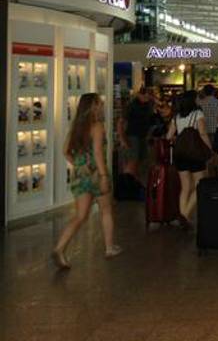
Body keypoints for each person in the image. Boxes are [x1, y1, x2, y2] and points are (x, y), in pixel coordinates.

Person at [52, 94, 121, 269]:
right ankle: (109, 247)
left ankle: (60, 247)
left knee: (80, 215)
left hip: (80, 175)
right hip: (96, 174)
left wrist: (80, 164)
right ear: (93, 106)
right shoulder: (97, 126)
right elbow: (98, 153)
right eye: (99, 103)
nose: (102, 105)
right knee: (106, 210)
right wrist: (104, 176)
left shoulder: (76, 127)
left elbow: (65, 151)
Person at [166, 90, 212, 228]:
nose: (199, 100)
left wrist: (179, 137)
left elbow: (168, 137)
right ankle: (184, 215)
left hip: (180, 154)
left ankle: (183, 216)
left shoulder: (176, 117)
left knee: (185, 187)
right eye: (197, 98)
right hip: (195, 154)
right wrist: (209, 149)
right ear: (192, 101)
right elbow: (203, 133)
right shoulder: (198, 114)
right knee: (200, 185)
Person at [117, 87, 154, 182]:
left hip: (142, 137)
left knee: (141, 161)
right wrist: (122, 139)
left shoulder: (148, 105)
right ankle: (128, 184)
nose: (147, 97)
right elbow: (120, 122)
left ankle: (134, 184)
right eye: (145, 95)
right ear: (139, 94)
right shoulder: (132, 106)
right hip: (132, 136)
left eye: (149, 95)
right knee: (132, 161)